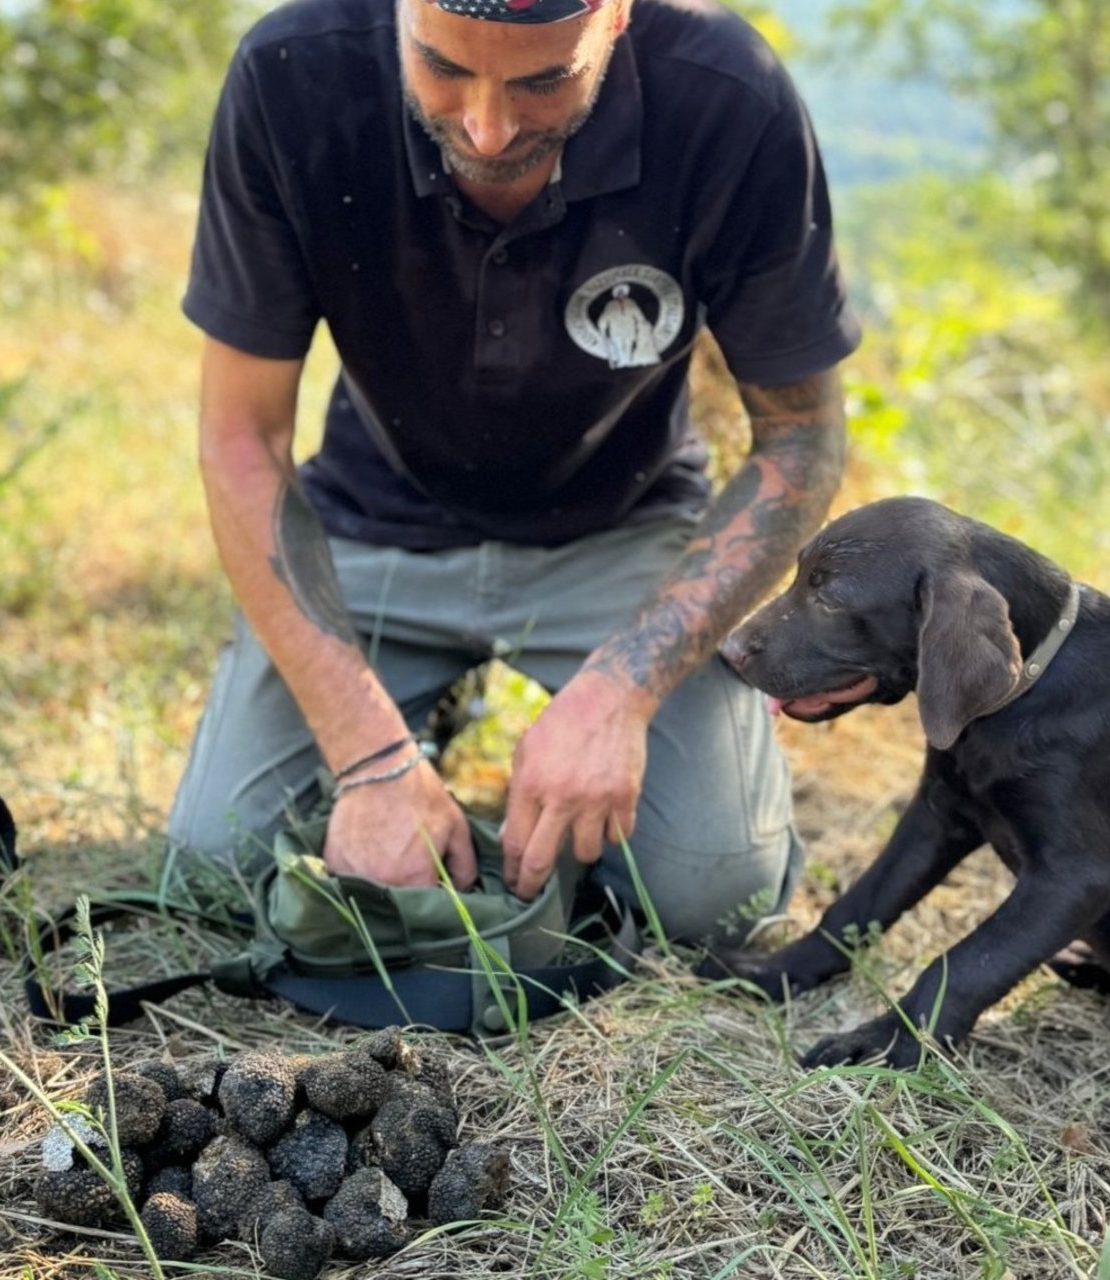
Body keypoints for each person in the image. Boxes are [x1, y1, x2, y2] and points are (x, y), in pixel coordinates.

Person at [167, 0, 860, 946]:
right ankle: (424, 712)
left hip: (624, 532)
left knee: (713, 903)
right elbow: (241, 440)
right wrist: (368, 759)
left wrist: (622, 689)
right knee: (213, 866)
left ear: (614, 16)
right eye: (443, 68)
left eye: (544, 81)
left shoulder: (729, 95)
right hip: (374, 525)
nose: (487, 127)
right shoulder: (289, 72)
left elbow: (800, 438)